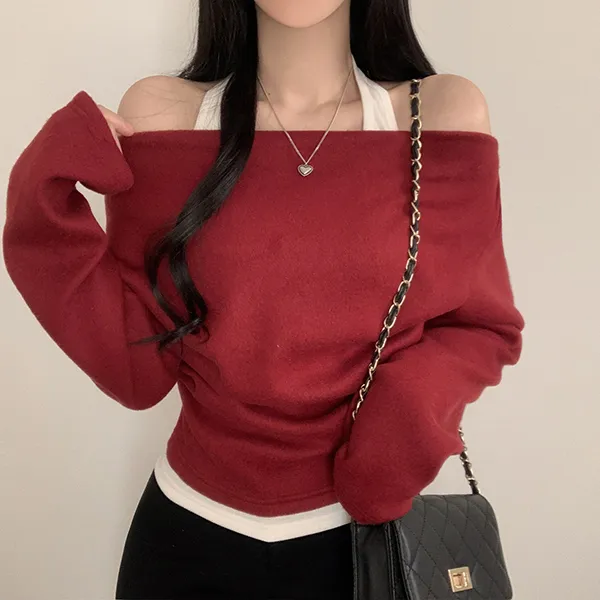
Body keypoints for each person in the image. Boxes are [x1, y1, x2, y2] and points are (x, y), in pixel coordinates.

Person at [3, 1, 525, 599]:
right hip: (184, 541)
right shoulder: (164, 113)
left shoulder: (439, 114)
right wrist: (41, 198)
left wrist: (399, 433)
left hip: (365, 545)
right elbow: (137, 367)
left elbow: (480, 322)